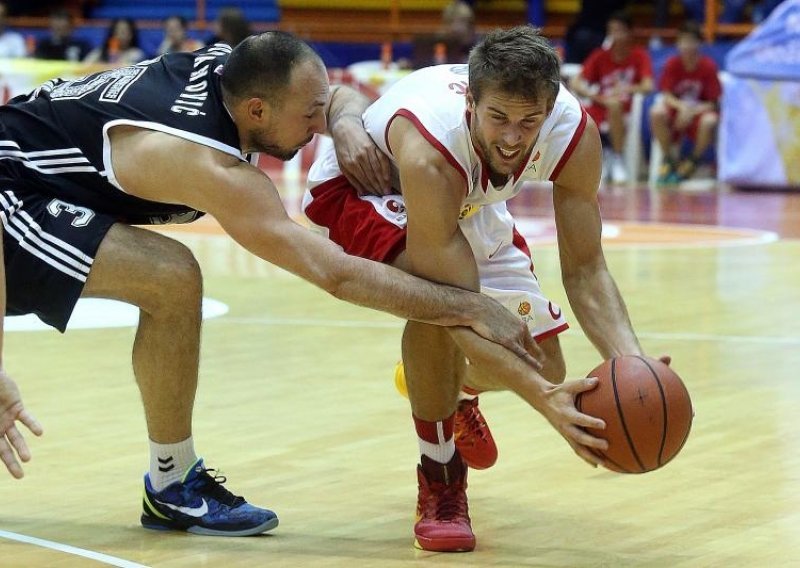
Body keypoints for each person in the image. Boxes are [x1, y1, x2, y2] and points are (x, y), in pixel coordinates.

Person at [0, 32, 543, 537]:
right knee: (169, 277)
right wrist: (469, 307)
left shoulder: (239, 72)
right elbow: (336, 273)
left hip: (32, 161)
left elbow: (338, 97)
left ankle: (170, 486)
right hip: (11, 184)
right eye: (311, 118)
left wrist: (348, 124)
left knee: (170, 278)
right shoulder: (206, 164)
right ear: (257, 111)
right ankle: (171, 486)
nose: (317, 129)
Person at [303, 26, 665, 551]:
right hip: (374, 188)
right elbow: (452, 306)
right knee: (436, 308)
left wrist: (634, 363)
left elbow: (586, 268)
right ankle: (440, 475)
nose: (514, 138)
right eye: (498, 118)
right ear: (471, 102)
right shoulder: (431, 148)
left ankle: (455, 389)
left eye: (528, 121)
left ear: (552, 106)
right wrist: (544, 404)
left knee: (547, 364)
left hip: (469, 200)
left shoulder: (574, 133)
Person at [570, 11, 653, 184]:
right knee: (575, 114)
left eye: (619, 30)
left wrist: (627, 88)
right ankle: (578, 163)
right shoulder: (600, 55)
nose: (615, 35)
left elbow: (648, 85)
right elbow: (576, 82)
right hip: (600, 104)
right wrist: (595, 96)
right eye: (612, 31)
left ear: (630, 33)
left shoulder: (638, 56)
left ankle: (617, 158)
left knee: (614, 105)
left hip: (625, 108)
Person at [649, 21, 722, 184]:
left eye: (691, 41)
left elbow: (714, 102)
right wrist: (682, 107)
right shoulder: (672, 64)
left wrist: (691, 112)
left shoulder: (708, 67)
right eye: (683, 41)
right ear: (678, 44)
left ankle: (692, 161)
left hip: (699, 112)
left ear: (699, 43)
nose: (687, 46)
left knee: (710, 121)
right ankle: (669, 159)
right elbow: (666, 95)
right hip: (677, 111)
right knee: (656, 112)